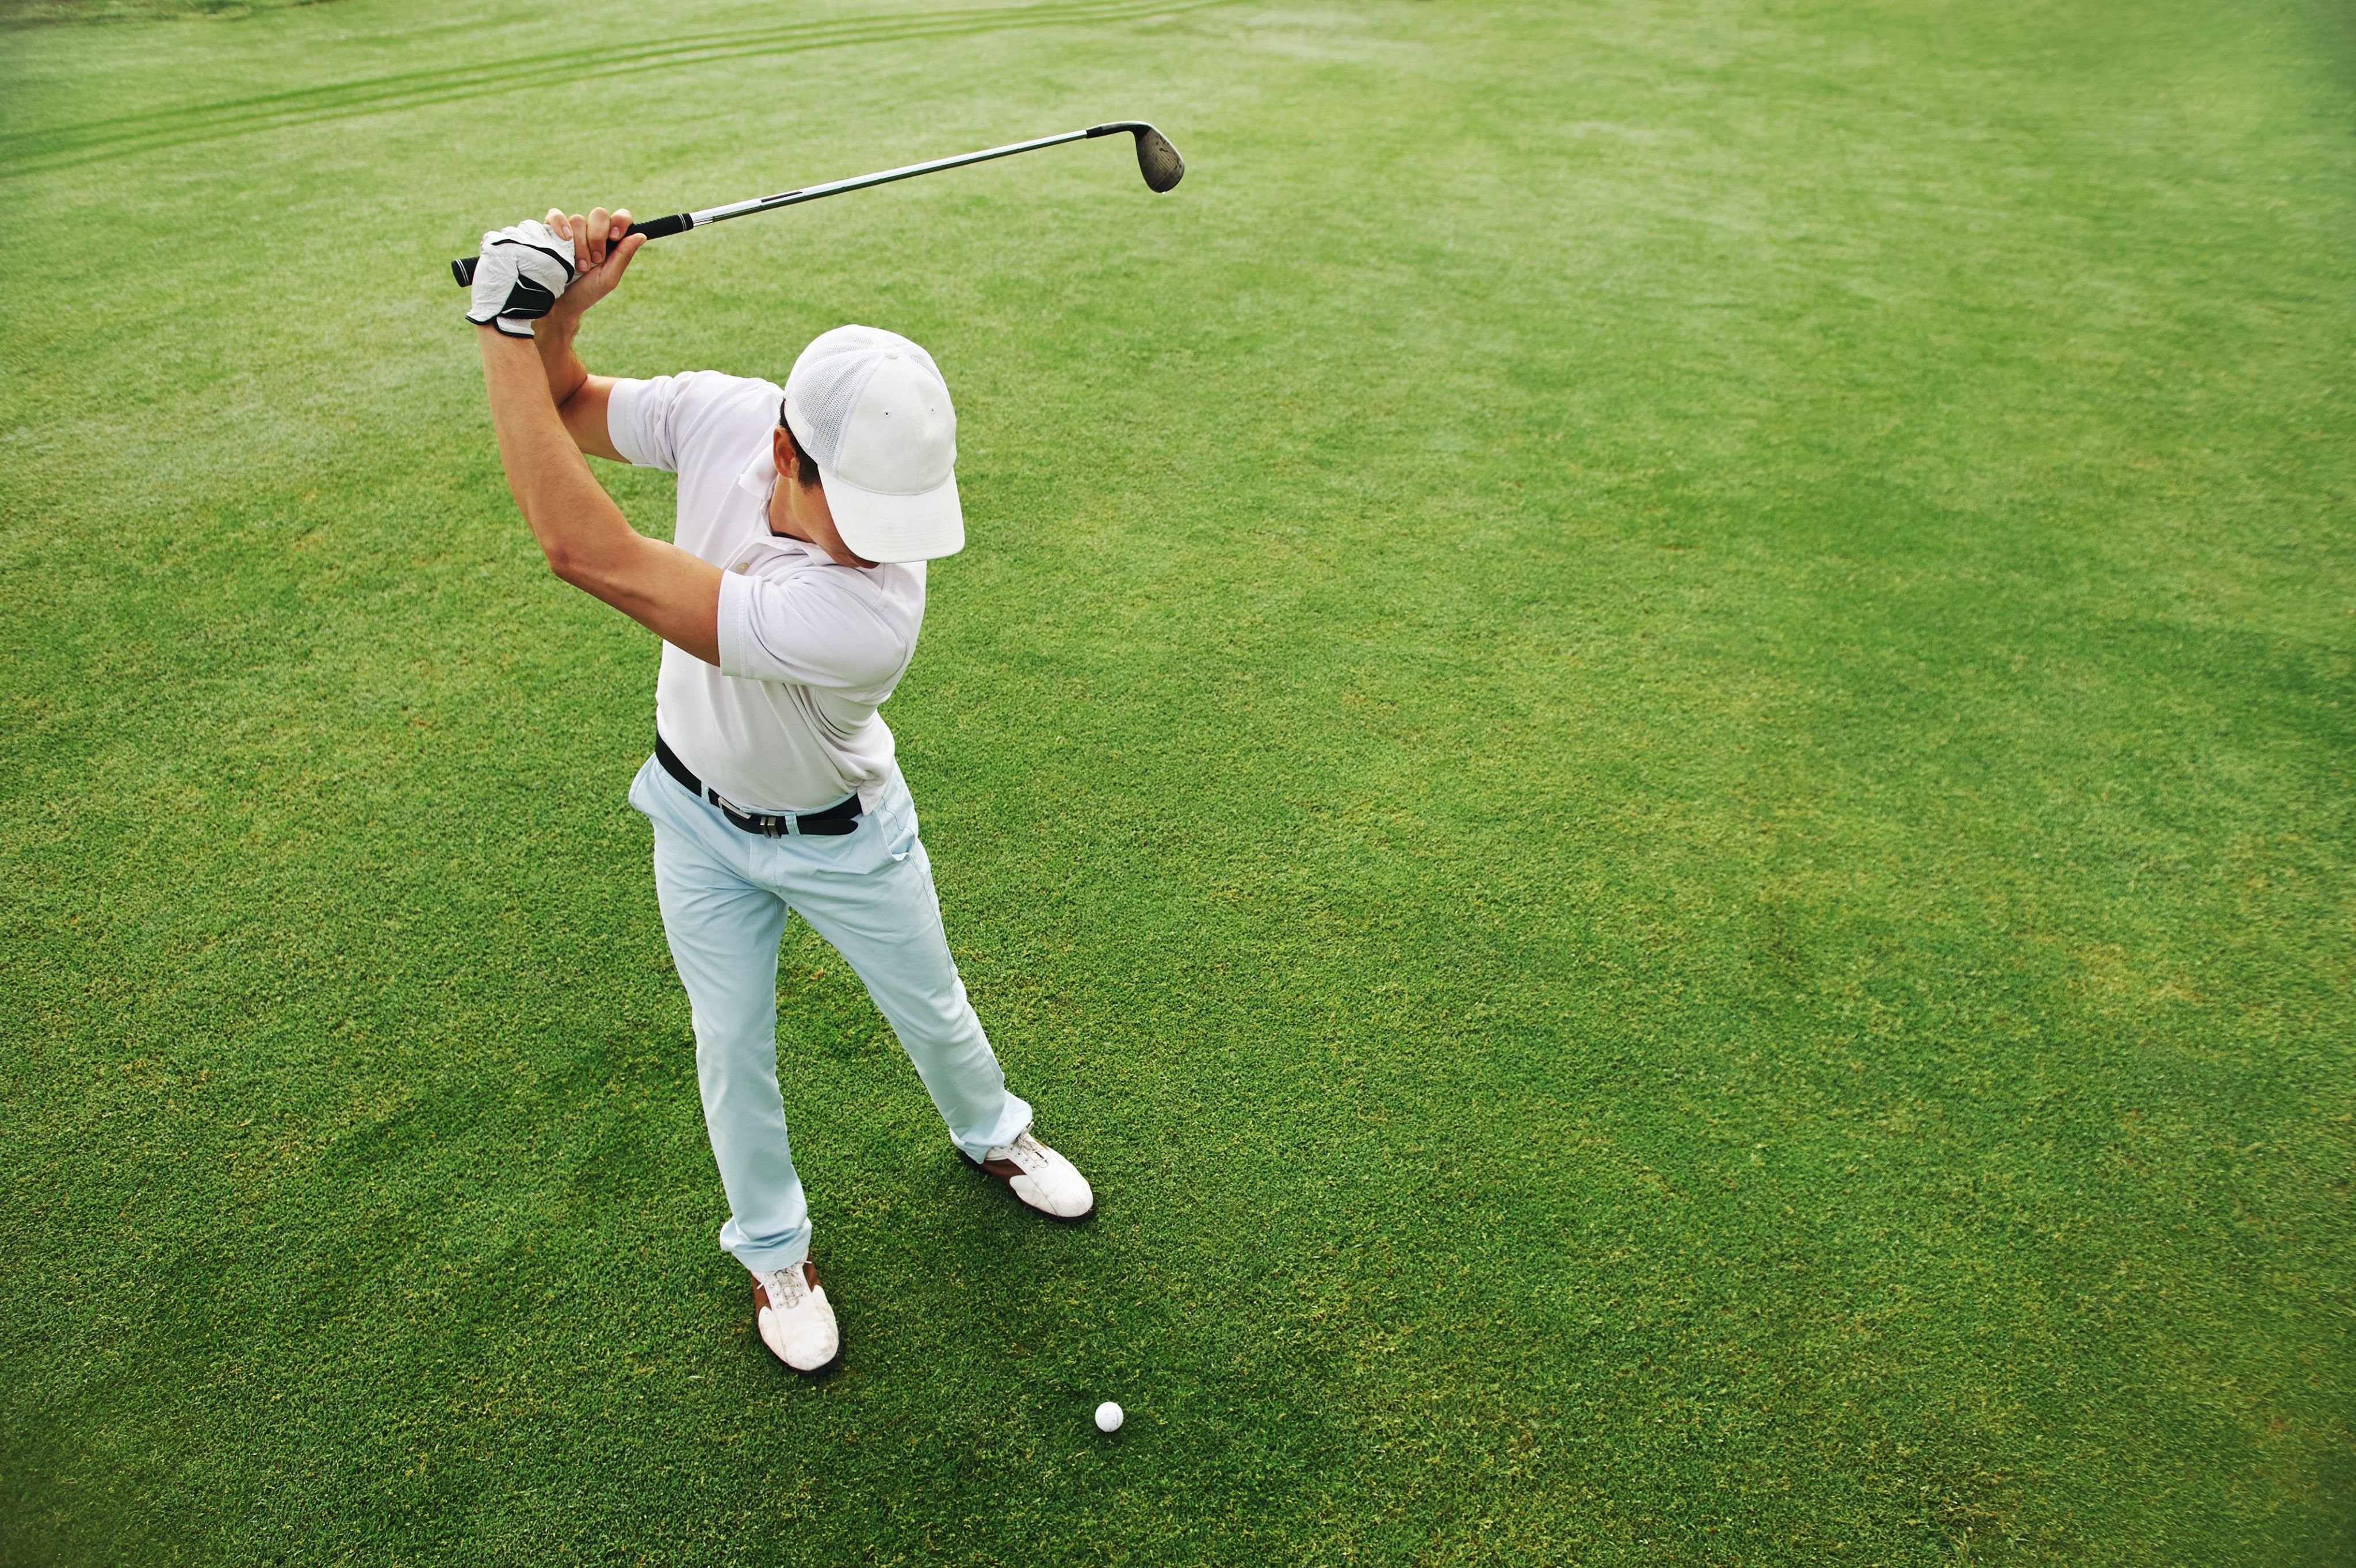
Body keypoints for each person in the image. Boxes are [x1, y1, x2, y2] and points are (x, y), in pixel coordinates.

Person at [463, 207, 1093, 1375]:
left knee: (936, 1009)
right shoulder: (724, 413)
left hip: (847, 838)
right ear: (786, 452)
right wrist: (557, 322)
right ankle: (774, 1251)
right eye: (867, 513)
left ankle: (992, 1135)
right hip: (695, 820)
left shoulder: (868, 612)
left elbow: (583, 551)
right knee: (730, 1043)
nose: (885, 544)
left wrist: (508, 322)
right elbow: (567, 407)